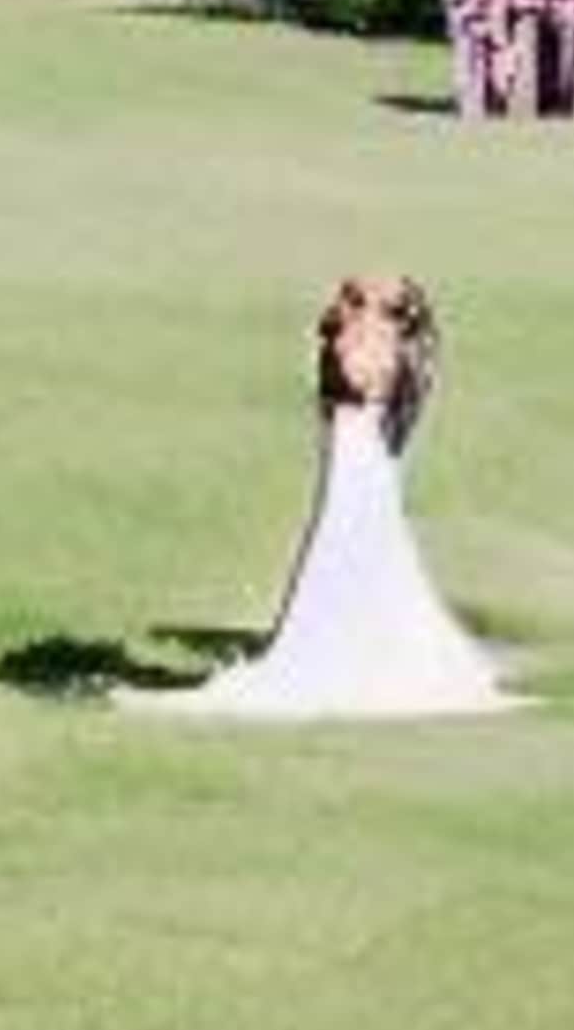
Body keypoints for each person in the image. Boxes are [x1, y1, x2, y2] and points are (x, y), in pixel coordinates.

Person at [129, 276, 513, 724]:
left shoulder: (379, 367)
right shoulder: (354, 359)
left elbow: (362, 387)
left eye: (356, 304)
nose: (337, 316)